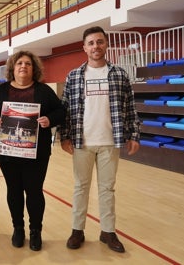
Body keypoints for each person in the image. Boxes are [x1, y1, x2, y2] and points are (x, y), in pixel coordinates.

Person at [60, 26, 140, 253]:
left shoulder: (119, 74)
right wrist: (64, 136)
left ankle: (108, 231)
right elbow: (65, 108)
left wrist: (133, 134)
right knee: (80, 187)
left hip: (110, 141)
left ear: (106, 45)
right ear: (84, 47)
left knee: (107, 188)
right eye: (91, 43)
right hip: (81, 141)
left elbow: (130, 107)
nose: (96, 46)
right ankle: (77, 230)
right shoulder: (74, 76)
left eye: (100, 42)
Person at [0, 50, 64, 251]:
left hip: (36, 154)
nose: (23, 66)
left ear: (33, 68)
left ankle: (36, 231)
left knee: (34, 192)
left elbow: (60, 110)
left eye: (27, 63)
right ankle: (18, 228)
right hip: (7, 153)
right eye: (19, 63)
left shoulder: (43, 91)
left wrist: (49, 120)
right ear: (12, 68)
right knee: (14, 191)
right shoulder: (1, 90)